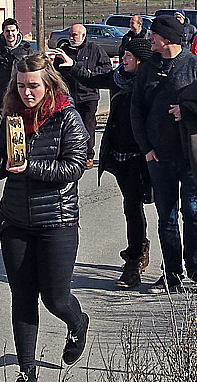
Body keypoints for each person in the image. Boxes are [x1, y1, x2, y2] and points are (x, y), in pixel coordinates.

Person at [0, 54, 90, 382]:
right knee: (23, 297)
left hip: (57, 221)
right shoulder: (11, 115)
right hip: (15, 221)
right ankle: (26, 371)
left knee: (55, 298)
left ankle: (77, 322)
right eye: (22, 85)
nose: (27, 92)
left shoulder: (67, 117)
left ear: (48, 84)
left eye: (34, 86)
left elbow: (74, 168)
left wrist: (31, 167)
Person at [131, 15, 197, 294]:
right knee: (166, 217)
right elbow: (136, 110)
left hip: (191, 156)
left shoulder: (196, 65)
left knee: (193, 213)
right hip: (159, 158)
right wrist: (146, 149)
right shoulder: (148, 68)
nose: (149, 38)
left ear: (167, 38)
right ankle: (172, 274)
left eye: (154, 34)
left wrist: (188, 111)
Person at [60, 38, 155, 289]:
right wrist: (71, 66)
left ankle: (135, 261)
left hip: (141, 154)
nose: (123, 60)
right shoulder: (119, 77)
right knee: (131, 207)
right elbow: (94, 80)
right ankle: (138, 249)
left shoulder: (152, 83)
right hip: (118, 152)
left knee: (136, 206)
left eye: (128, 57)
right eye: (123, 56)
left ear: (140, 61)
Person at [51, 24, 111, 168]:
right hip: (68, 96)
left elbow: (106, 68)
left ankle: (88, 155)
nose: (71, 38)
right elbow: (55, 73)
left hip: (88, 96)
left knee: (87, 125)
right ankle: (69, 154)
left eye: (75, 35)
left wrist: (89, 72)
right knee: (68, 127)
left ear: (83, 36)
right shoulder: (64, 51)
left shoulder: (95, 49)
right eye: (70, 35)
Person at [0, 17, 35, 126]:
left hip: (20, 94)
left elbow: (33, 73)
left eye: (13, 30)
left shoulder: (26, 48)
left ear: (17, 31)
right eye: (7, 31)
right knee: (1, 125)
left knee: (20, 124)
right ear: (3, 32)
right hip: (1, 95)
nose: (10, 34)